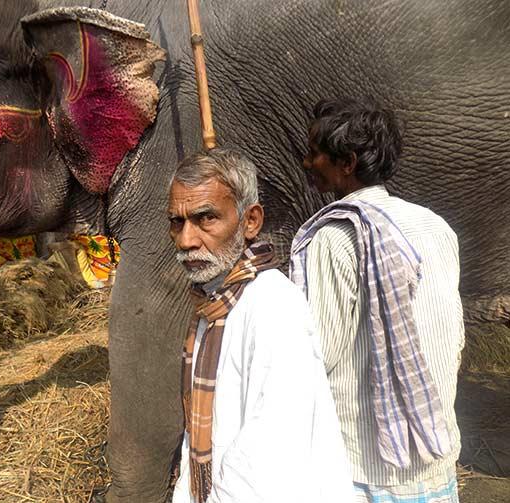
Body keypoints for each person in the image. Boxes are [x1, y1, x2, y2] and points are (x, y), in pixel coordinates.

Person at [291, 97, 465, 503]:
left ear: (347, 162)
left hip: (364, 465)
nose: (306, 163)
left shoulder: (334, 239)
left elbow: (319, 354)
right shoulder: (435, 226)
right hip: (435, 451)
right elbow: (452, 333)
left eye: (314, 154)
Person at [168, 147, 354, 503]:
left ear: (250, 221)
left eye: (205, 218)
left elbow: (270, 452)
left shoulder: (272, 304)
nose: (187, 240)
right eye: (177, 222)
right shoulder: (215, 305)